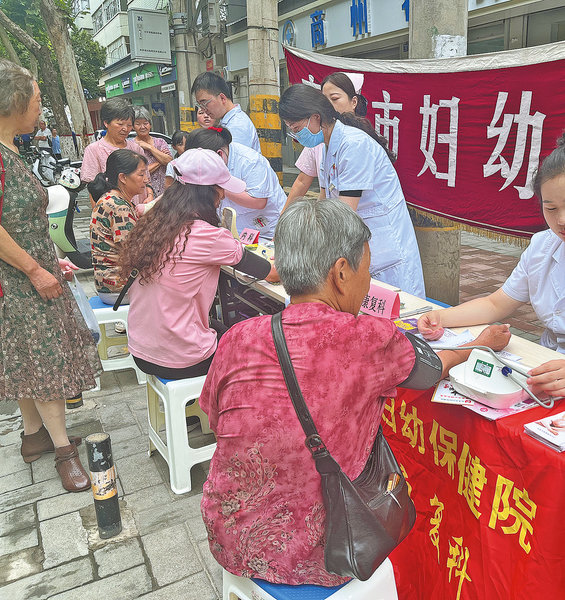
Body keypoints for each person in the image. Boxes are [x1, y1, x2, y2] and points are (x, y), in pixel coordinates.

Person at [199, 197, 509, 585]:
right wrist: (479, 345)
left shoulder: (238, 337)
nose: (368, 282)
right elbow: (430, 370)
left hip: (229, 536)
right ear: (341, 272)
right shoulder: (367, 338)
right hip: (321, 554)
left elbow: (215, 419)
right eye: (368, 269)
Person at [418, 131, 565, 396]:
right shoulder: (542, 245)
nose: (562, 220)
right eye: (551, 208)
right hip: (554, 371)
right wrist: (440, 317)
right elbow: (496, 304)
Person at [0, 59, 99, 492]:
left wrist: (48, 260)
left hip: (31, 271)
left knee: (26, 359)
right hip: (20, 281)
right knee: (46, 363)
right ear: (14, 102)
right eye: (37, 100)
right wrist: (35, 269)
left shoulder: (12, 150)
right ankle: (63, 451)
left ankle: (32, 436)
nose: (40, 108)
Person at [121, 148, 259, 379]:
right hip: (181, 359)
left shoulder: (155, 223)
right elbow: (267, 272)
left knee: (220, 327)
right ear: (210, 192)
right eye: (221, 188)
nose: (223, 195)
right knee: (253, 349)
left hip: (141, 350)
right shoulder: (209, 236)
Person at [279, 84, 426, 298]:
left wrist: (309, 253)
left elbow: (344, 214)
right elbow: (324, 201)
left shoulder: (354, 145)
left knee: (399, 311)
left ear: (316, 117)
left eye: (296, 128)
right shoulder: (325, 146)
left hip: (383, 247)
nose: (295, 135)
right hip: (360, 242)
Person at [185, 126, 286, 239]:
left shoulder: (250, 161)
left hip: (266, 230)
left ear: (220, 154)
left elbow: (259, 202)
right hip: (235, 229)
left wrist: (219, 185)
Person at [286, 72, 368, 205]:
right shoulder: (322, 138)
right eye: (325, 100)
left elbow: (347, 208)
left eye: (334, 99)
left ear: (354, 102)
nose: (329, 105)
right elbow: (317, 189)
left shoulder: (355, 143)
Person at [87, 149, 148, 305]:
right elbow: (138, 251)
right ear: (123, 177)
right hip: (119, 287)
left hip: (109, 284)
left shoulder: (111, 198)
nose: (146, 180)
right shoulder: (118, 206)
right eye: (141, 174)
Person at [81, 98, 151, 207]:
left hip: (138, 210)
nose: (125, 129)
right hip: (112, 212)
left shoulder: (136, 149)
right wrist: (99, 213)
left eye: (129, 125)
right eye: (120, 124)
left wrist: (150, 196)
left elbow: (147, 180)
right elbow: (93, 189)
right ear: (106, 123)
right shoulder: (94, 150)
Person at [192, 71, 259, 152]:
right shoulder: (227, 121)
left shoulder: (237, 127)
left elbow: (233, 158)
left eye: (204, 103)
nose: (203, 109)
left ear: (222, 98)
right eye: (200, 105)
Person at [132, 106, 171, 197]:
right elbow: (140, 172)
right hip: (144, 194)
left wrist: (150, 147)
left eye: (145, 123)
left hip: (164, 193)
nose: (142, 127)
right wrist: (160, 160)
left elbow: (169, 161)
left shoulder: (160, 142)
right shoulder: (132, 146)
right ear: (133, 127)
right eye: (138, 124)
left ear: (150, 125)